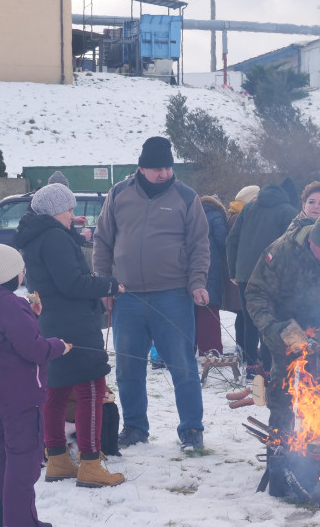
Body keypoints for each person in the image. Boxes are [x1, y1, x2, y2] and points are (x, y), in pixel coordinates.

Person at [93, 136, 210, 451]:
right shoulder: (118, 194)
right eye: (157, 168)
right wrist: (104, 282)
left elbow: (200, 244)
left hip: (172, 295)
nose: (164, 173)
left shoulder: (186, 197)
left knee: (182, 366)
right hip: (126, 296)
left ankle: (191, 430)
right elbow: (103, 240)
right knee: (129, 367)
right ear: (141, 168)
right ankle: (134, 427)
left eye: (168, 167)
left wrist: (197, 282)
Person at [14, 183, 125, 487]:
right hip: (74, 325)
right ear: (54, 211)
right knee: (92, 390)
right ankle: (90, 462)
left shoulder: (40, 236)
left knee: (57, 391)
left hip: (53, 324)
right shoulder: (53, 238)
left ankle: (58, 458)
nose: (73, 215)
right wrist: (108, 285)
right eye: (70, 209)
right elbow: (72, 283)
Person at [0, 243, 71, 527]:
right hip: (22, 396)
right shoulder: (10, 306)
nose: (23, 275)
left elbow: (5, 340)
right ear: (6, 276)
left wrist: (29, 316)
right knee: (23, 459)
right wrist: (59, 345)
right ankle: (21, 525)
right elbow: (33, 349)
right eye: (20, 271)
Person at [245, 213, 320, 435]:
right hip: (284, 328)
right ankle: (281, 444)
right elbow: (256, 294)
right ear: (311, 241)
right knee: (282, 388)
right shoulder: (282, 251)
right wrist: (273, 328)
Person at [226, 183, 297, 378]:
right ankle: (266, 367)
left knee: (250, 320)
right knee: (269, 319)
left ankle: (250, 367)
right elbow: (288, 246)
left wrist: (233, 270)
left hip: (244, 273)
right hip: (271, 274)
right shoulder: (288, 211)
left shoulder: (248, 208)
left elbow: (232, 240)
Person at [224, 185, 259, 356]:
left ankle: (244, 348)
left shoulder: (235, 214)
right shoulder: (240, 216)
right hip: (240, 273)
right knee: (244, 314)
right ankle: (244, 349)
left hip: (239, 272)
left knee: (243, 314)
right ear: (251, 199)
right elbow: (235, 243)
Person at [196, 195, 228, 356]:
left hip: (194, 266)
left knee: (194, 309)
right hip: (211, 266)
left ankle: (193, 346)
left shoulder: (193, 215)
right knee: (210, 308)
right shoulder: (216, 216)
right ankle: (211, 349)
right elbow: (224, 242)